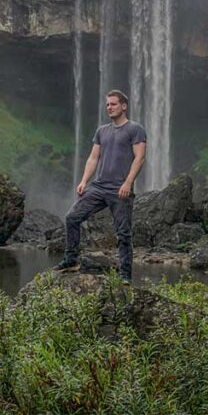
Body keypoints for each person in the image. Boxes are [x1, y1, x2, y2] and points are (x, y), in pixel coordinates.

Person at [54, 89, 146, 282]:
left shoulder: (135, 129)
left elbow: (140, 157)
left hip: (120, 189)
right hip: (98, 187)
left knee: (123, 233)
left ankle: (125, 275)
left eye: (113, 104)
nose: (109, 108)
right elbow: (93, 158)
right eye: (107, 104)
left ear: (123, 106)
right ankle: (71, 259)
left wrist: (128, 183)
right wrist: (84, 181)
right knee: (72, 217)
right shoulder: (101, 131)